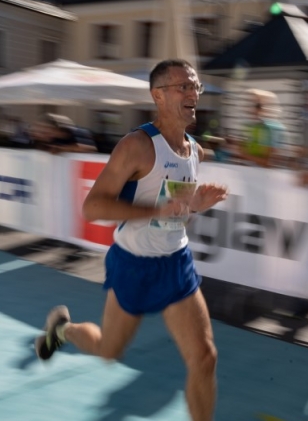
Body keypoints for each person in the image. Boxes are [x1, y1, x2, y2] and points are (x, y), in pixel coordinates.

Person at [35, 59, 228, 421]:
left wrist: (194, 206)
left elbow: (173, 211)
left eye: (195, 86)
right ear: (158, 96)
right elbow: (92, 208)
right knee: (109, 351)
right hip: (134, 265)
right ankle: (63, 329)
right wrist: (160, 210)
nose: (193, 93)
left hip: (176, 264)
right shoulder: (136, 146)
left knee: (205, 358)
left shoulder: (195, 151)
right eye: (183, 86)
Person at [239, 89, 286, 168]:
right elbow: (241, 151)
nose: (250, 109)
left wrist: (245, 155)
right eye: (248, 104)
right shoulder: (250, 126)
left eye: (256, 106)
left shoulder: (271, 128)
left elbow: (267, 162)